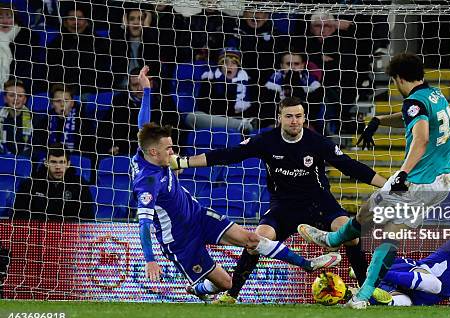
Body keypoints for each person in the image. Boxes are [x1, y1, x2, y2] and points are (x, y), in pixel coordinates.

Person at [133, 66, 340, 299]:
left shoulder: (146, 151)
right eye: (168, 148)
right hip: (179, 239)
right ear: (153, 151)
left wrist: (147, 91)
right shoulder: (147, 182)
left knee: (251, 239)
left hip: (198, 215)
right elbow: (143, 225)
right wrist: (150, 260)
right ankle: (198, 289)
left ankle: (307, 264)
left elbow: (144, 125)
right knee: (225, 283)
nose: (173, 152)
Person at [169, 96, 387, 304]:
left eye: (299, 116)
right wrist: (184, 162)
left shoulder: (318, 142)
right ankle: (232, 294)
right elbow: (228, 154)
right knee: (257, 240)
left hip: (319, 203)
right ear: (279, 118)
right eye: (289, 116)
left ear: (305, 118)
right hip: (283, 206)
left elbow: (352, 167)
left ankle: (364, 289)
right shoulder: (266, 141)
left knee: (349, 234)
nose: (295, 121)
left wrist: (387, 186)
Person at [298, 53, 450, 309]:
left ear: (398, 79)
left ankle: (346, 265)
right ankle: (343, 258)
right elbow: (414, 116)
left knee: (379, 223)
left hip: (419, 180)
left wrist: (403, 173)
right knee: (376, 217)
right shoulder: (433, 95)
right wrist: (380, 120)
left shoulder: (413, 101)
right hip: (440, 179)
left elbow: (422, 137)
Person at [375, 219, 450, 307]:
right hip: (404, 269)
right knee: (434, 284)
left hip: (407, 291)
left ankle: (362, 292)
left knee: (404, 303)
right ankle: (373, 274)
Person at [12, 143, 94, 221]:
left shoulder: (80, 185)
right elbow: (18, 216)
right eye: (53, 162)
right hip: (38, 233)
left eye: (62, 162)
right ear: (46, 163)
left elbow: (88, 219)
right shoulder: (30, 185)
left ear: (68, 164)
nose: (58, 167)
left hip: (70, 233)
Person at [186, 48, 259, 134]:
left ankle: (242, 125)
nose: (230, 66)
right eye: (226, 63)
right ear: (220, 66)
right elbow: (205, 109)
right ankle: (240, 125)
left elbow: (252, 112)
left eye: (234, 63)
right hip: (213, 123)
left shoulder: (249, 84)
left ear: (238, 67)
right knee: (192, 117)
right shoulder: (209, 82)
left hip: (240, 123)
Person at [262, 51, 323, 130]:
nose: (292, 67)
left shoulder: (312, 85)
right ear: (281, 65)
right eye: (288, 64)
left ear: (302, 65)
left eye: (296, 64)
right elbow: (267, 112)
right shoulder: (271, 85)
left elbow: (314, 112)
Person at [0, 79, 34, 157]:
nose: (16, 99)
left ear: (25, 99)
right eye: (12, 95)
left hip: (24, 159)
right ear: (5, 98)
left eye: (20, 96)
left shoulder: (34, 118)